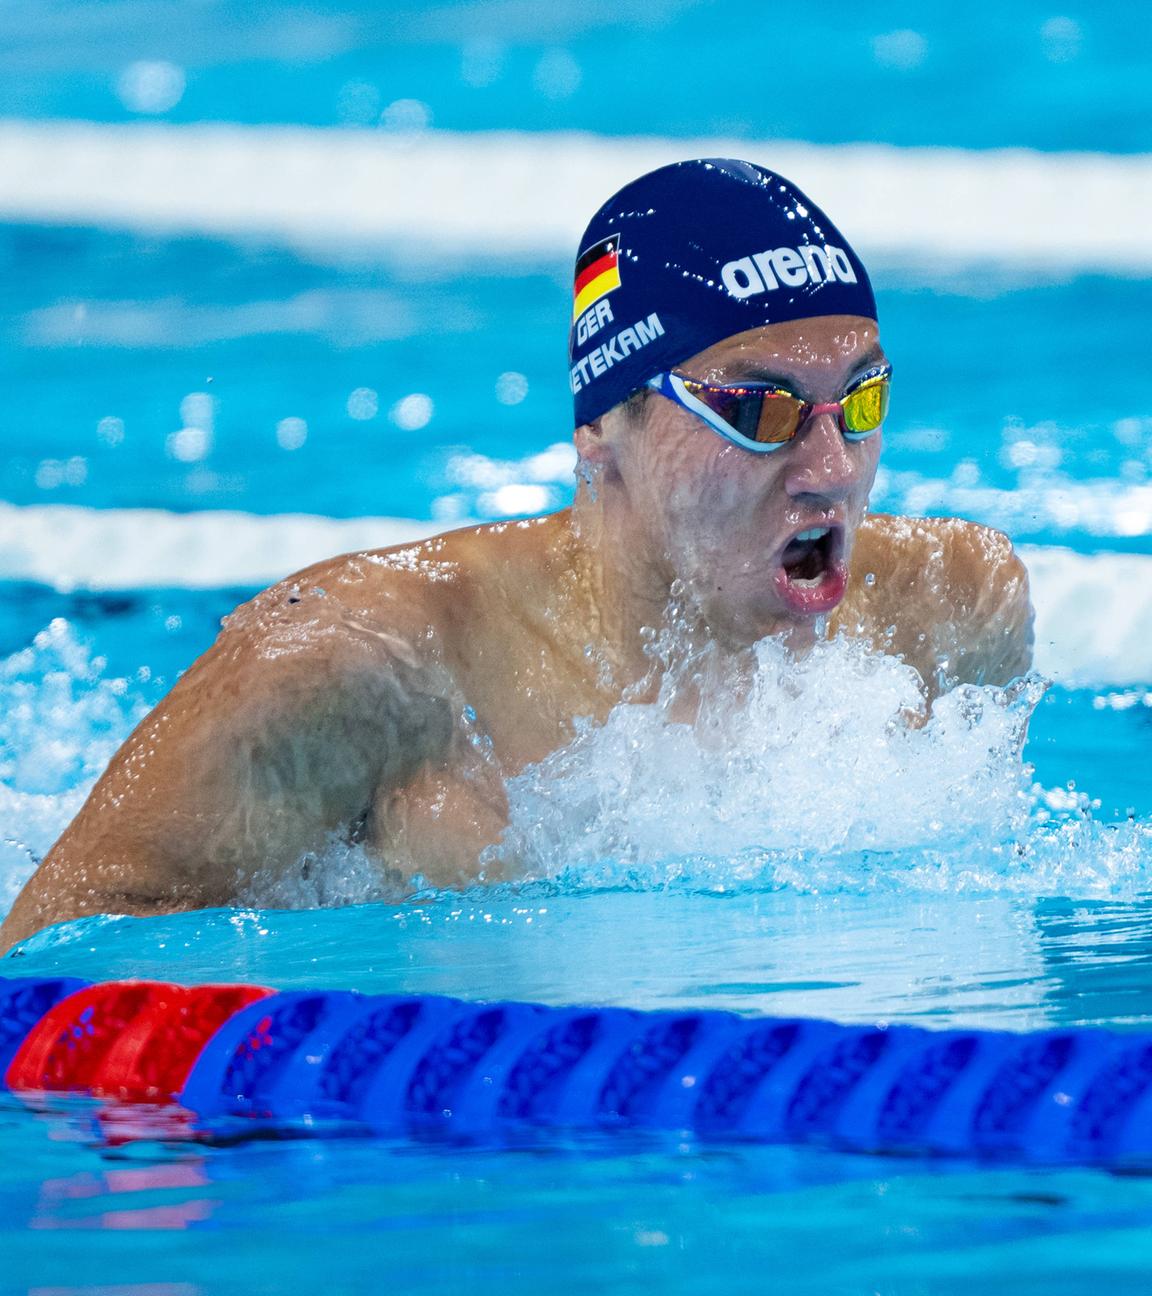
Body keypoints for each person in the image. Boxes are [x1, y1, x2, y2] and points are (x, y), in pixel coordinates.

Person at [0, 158, 1032, 951]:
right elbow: (55, 953)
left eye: (862, 399)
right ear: (604, 427)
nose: (831, 466)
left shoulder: (953, 610)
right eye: (757, 409)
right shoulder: (366, 667)